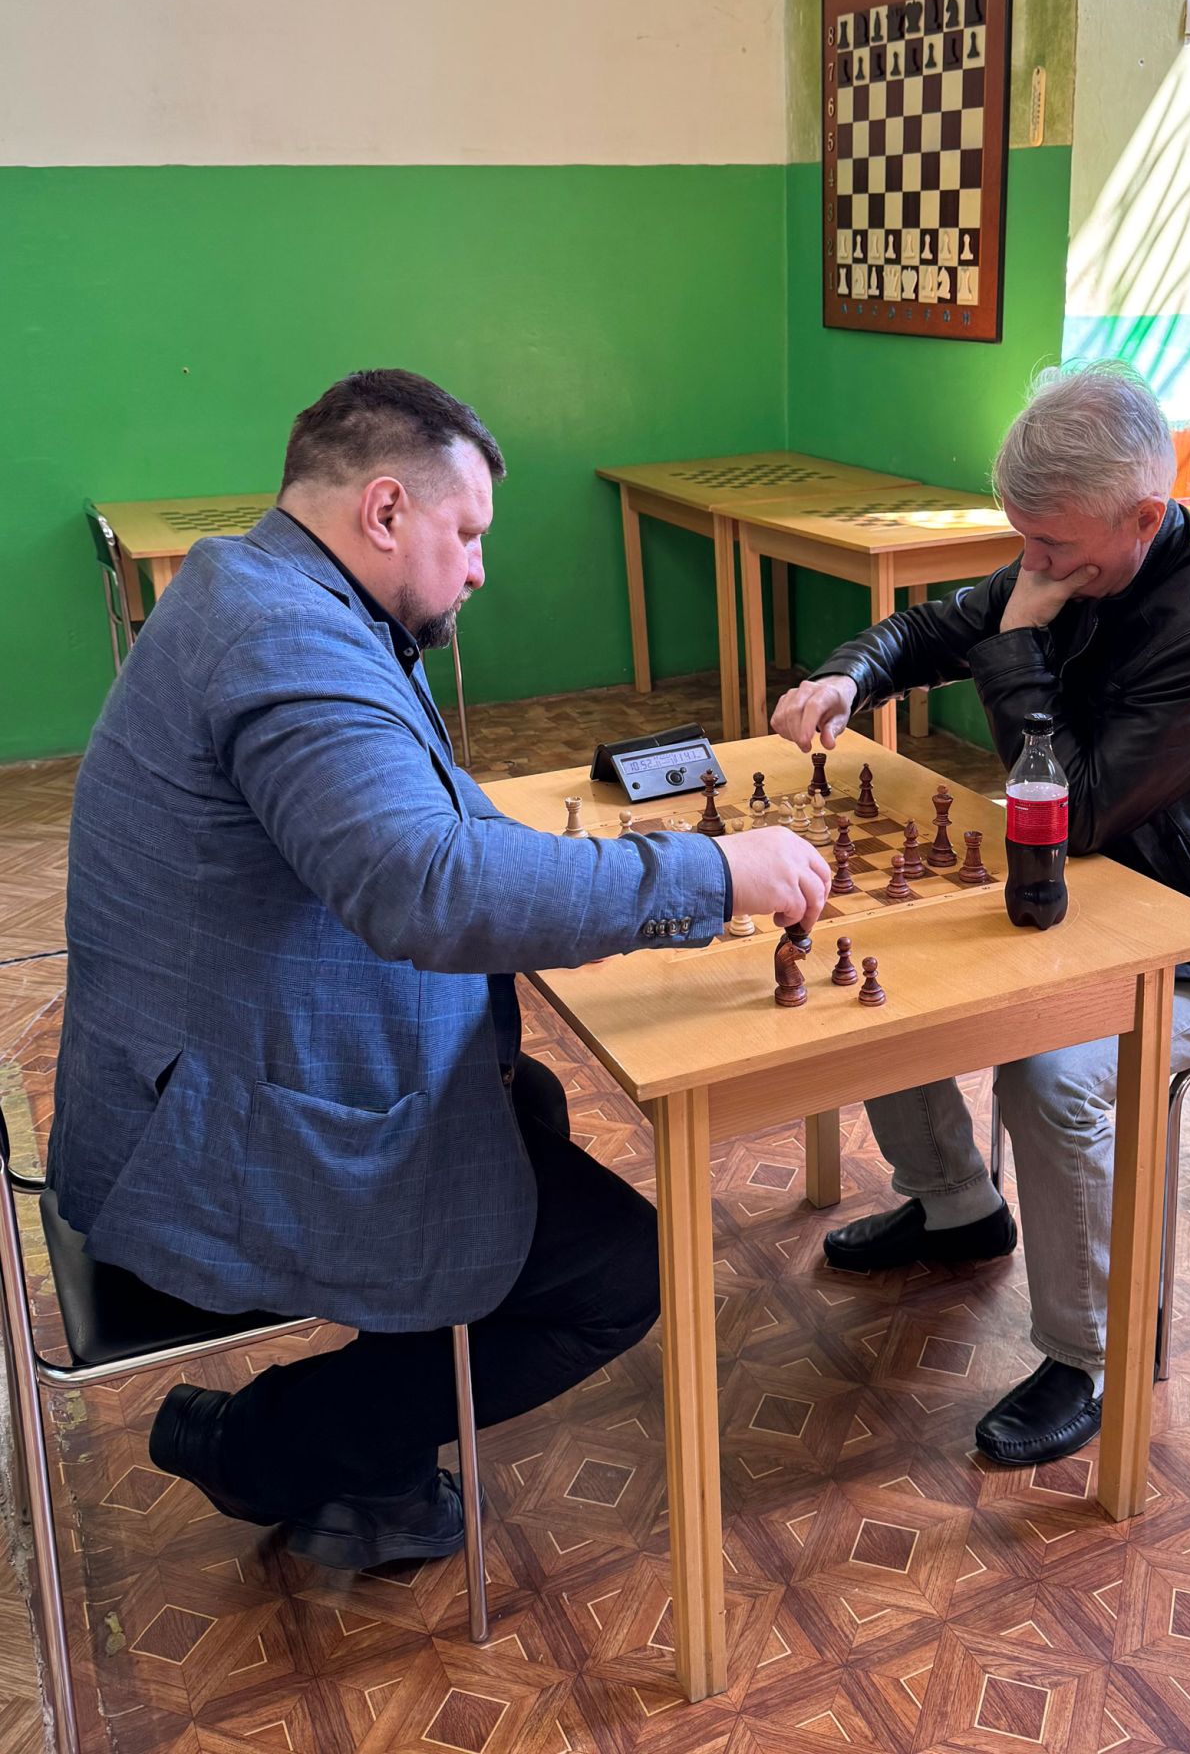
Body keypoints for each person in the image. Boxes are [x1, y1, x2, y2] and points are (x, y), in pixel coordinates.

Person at [50, 368, 832, 1569]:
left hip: (218, 1054)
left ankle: (378, 1470)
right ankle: (262, 1446)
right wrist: (711, 874)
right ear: (383, 510)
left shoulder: (265, 587)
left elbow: (440, 812)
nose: (476, 569)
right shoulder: (281, 640)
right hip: (208, 1130)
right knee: (625, 1270)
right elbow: (426, 885)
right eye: (464, 534)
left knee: (525, 1103)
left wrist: (626, 886)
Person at [772, 361, 1190, 1467]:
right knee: (892, 961)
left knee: (1049, 1077)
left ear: (1143, 515)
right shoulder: (1073, 550)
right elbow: (937, 626)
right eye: (1023, 542)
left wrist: (1011, 642)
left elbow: (1077, 807)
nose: (1033, 563)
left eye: (1050, 547)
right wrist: (849, 675)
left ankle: (1086, 1356)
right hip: (1095, 894)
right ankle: (955, 1207)